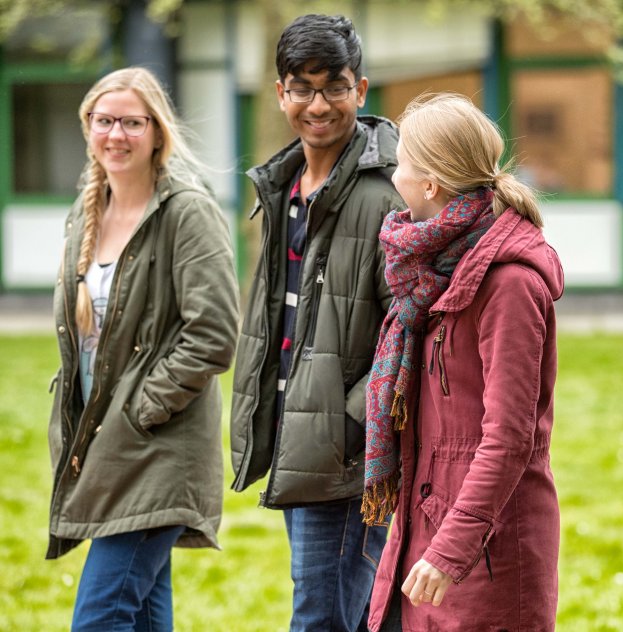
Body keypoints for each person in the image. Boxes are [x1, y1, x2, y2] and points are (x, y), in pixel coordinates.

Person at [362, 93, 564, 632]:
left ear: (429, 184)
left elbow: (508, 437)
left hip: (489, 548)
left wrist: (451, 547)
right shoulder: (436, 271)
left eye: (400, 161)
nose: (392, 173)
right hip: (428, 532)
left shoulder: (509, 282)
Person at [47, 66, 239, 631]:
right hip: (105, 448)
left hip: (156, 449)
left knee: (99, 618)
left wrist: (140, 411)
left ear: (157, 132)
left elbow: (213, 334)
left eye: (133, 122)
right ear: (88, 128)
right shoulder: (86, 211)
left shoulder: (187, 213)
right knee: (145, 615)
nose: (117, 134)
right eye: (105, 121)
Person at [228, 14, 403, 632]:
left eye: (334, 86)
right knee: (351, 615)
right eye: (301, 87)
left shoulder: (388, 194)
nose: (318, 103)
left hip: (346, 452)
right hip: (296, 439)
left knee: (321, 616)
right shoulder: (284, 188)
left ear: (361, 89)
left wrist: (350, 417)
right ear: (280, 93)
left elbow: (407, 331)